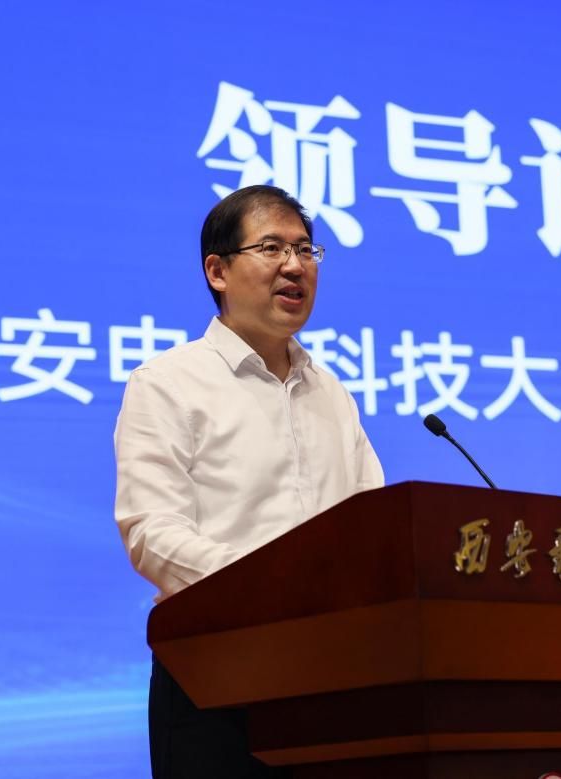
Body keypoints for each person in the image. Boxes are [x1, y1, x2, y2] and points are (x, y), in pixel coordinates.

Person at [113, 185, 384, 778]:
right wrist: (272, 589)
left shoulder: (333, 393)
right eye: (272, 248)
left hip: (336, 678)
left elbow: (373, 526)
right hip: (217, 680)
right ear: (218, 271)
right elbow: (152, 531)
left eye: (306, 250)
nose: (295, 266)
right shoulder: (168, 383)